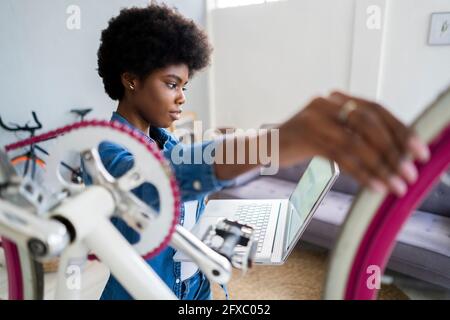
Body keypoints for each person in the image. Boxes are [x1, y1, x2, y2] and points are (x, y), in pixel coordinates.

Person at [96, 3, 429, 300]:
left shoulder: (168, 141)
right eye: (171, 84)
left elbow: (182, 214)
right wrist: (274, 143)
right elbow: (159, 179)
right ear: (131, 80)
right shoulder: (105, 152)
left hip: (196, 291)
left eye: (185, 86)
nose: (182, 97)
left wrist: (211, 242)